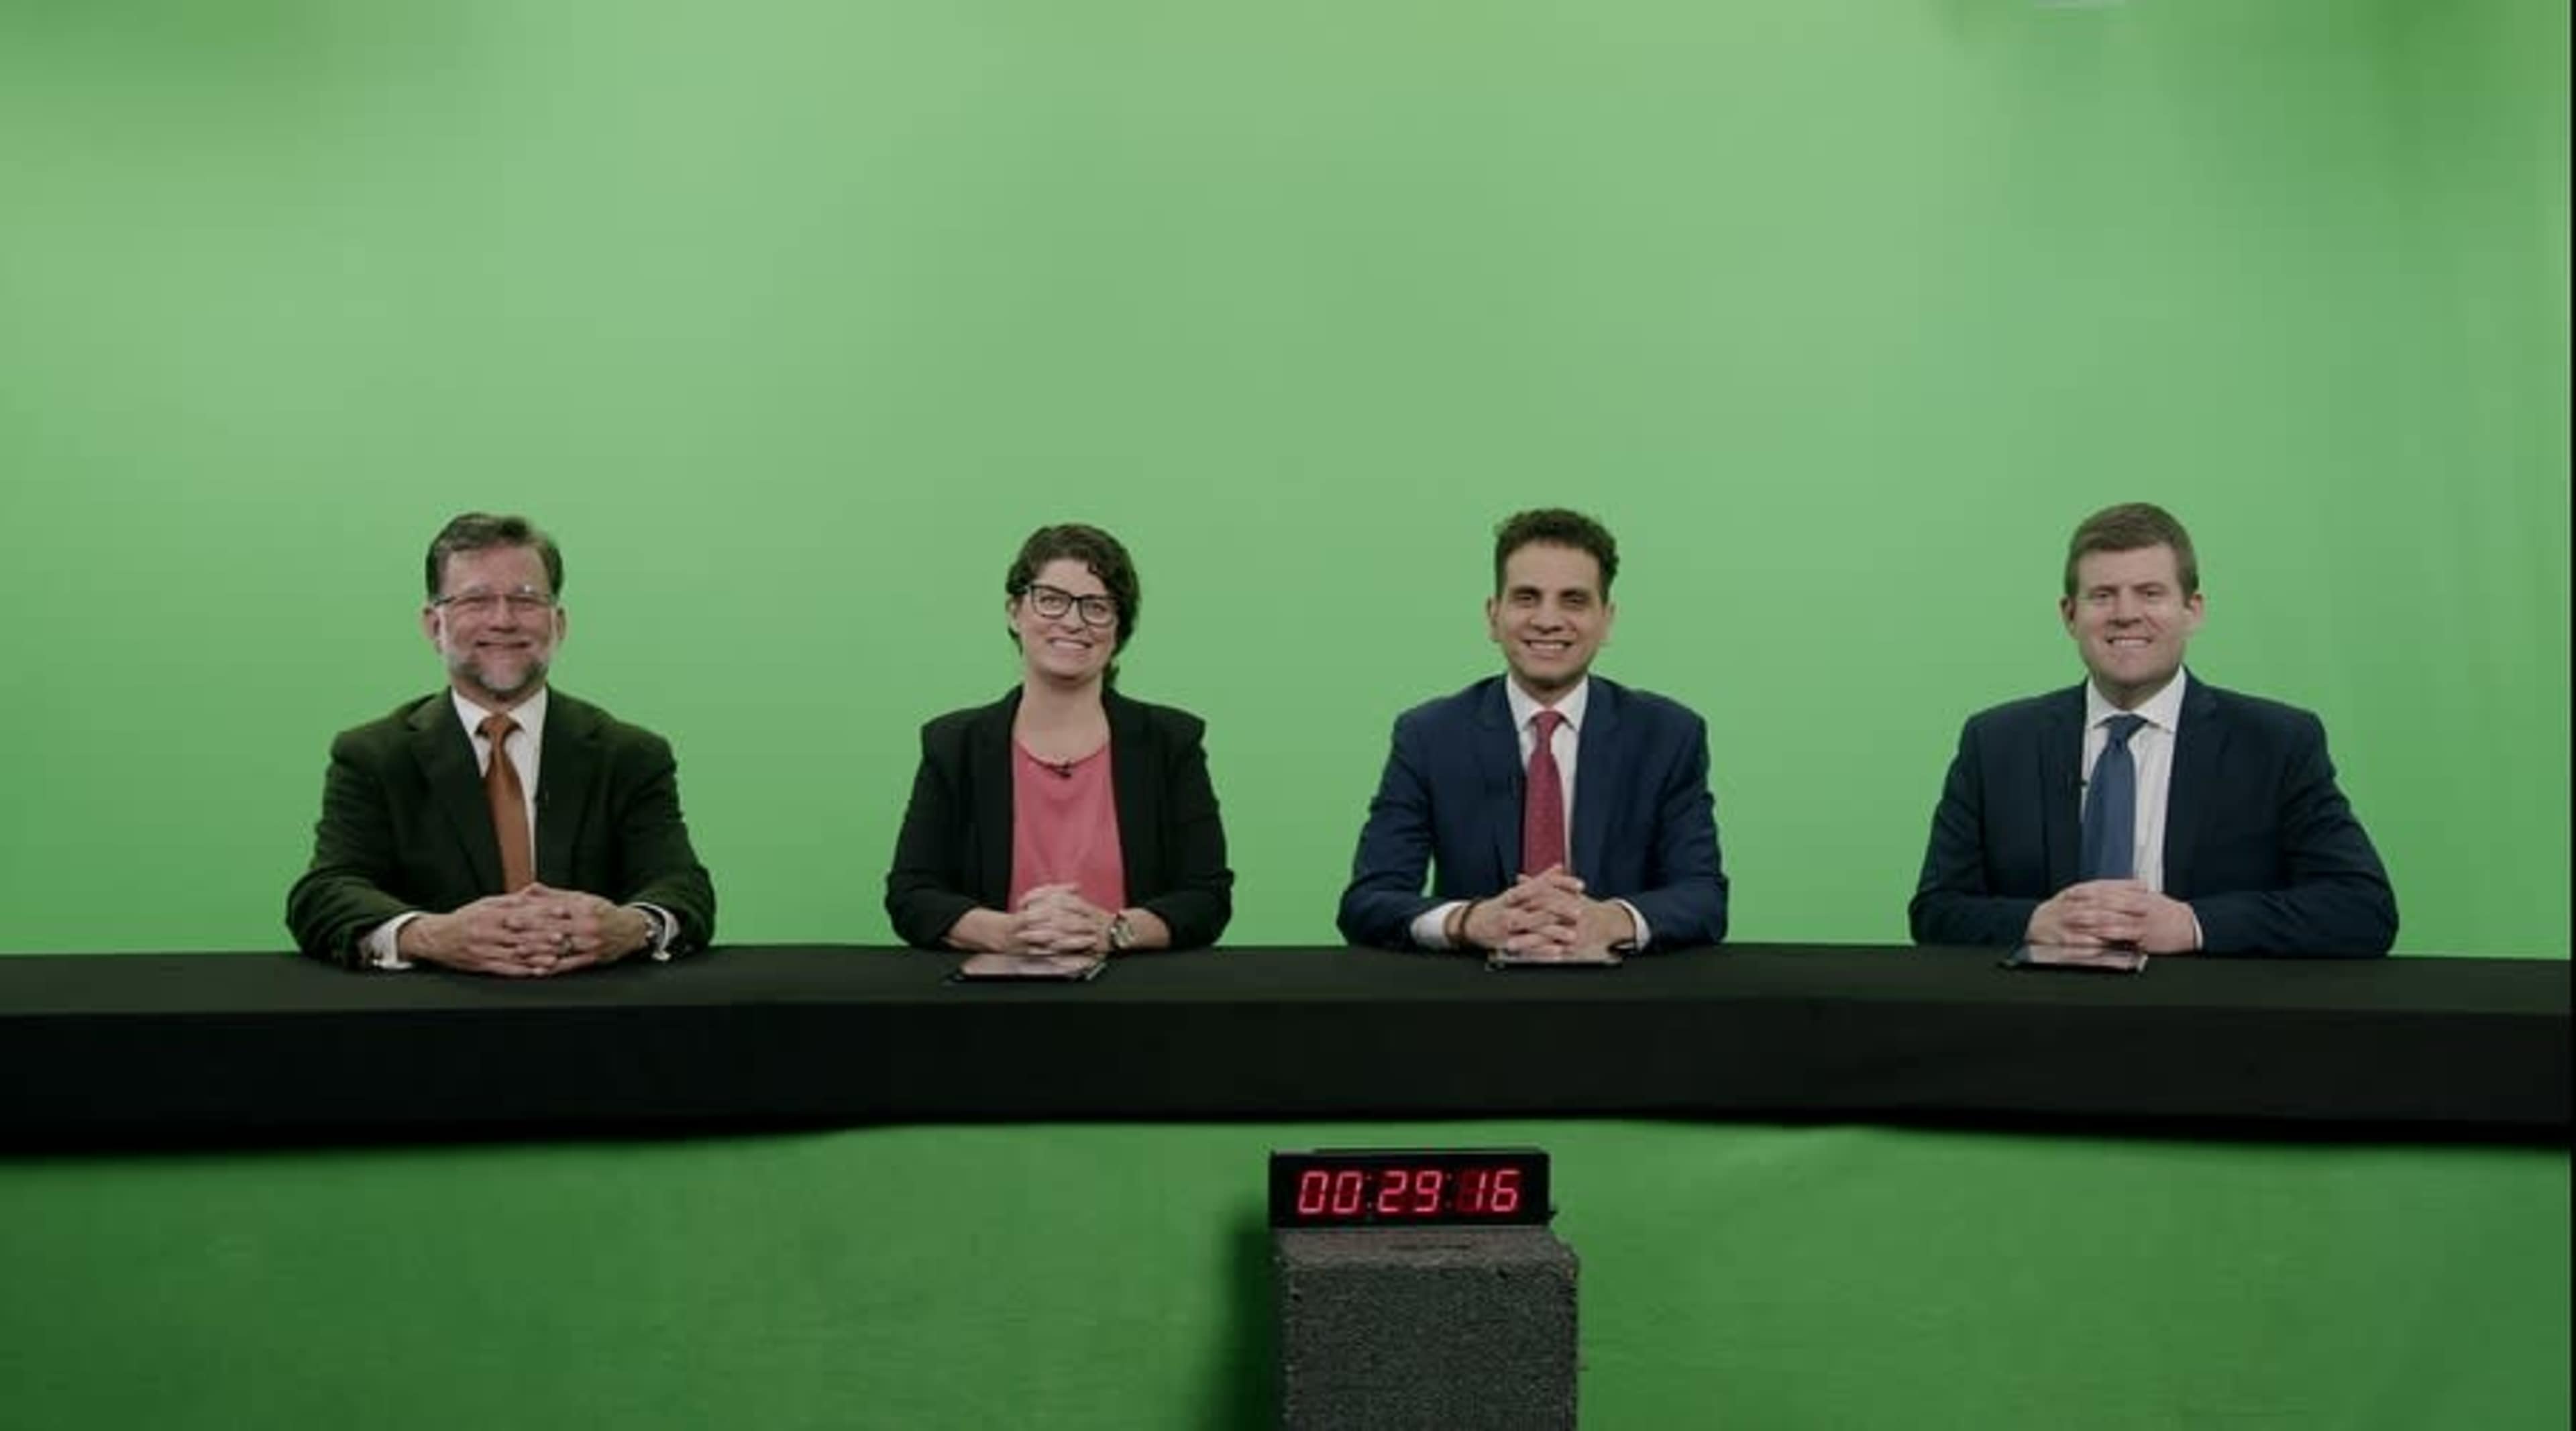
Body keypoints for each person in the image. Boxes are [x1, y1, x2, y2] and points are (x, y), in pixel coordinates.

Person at [1910, 502, 2397, 956]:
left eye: (2150, 593)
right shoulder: (1995, 743)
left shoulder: (2277, 742)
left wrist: (2192, 924)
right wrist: (2034, 920)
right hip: (2041, 1026)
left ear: (2193, 610)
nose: (2125, 613)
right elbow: (1934, 912)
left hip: (2208, 1029)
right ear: (2069, 615)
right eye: (2103, 595)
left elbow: (2363, 907)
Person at [285, 513, 716, 974]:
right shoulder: (373, 755)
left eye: (526, 599)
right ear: (435, 626)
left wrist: (630, 926)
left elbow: (681, 886)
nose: (504, 619)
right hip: (432, 1019)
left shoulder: (629, 754)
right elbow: (325, 892)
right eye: (476, 600)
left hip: (594, 1016)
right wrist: (430, 935)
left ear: (559, 623)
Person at [1338, 508, 1727, 957]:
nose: (1548, 619)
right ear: (1493, 614)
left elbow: (1704, 897)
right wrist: (1470, 920)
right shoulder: (1429, 735)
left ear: (1607, 620)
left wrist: (1610, 921)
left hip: (1624, 1004)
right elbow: (1367, 903)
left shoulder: (1668, 735)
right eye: (1527, 597)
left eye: (1574, 600)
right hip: (1474, 1004)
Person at [885, 523, 1232, 955]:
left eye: (1097, 606)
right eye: (1051, 600)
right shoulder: (955, 745)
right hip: (989, 1002)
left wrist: (1112, 930)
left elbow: (1207, 898)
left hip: (1137, 998)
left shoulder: (1170, 742)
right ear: (1015, 611)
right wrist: (1009, 933)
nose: (1072, 621)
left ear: (1119, 627)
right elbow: (912, 895)